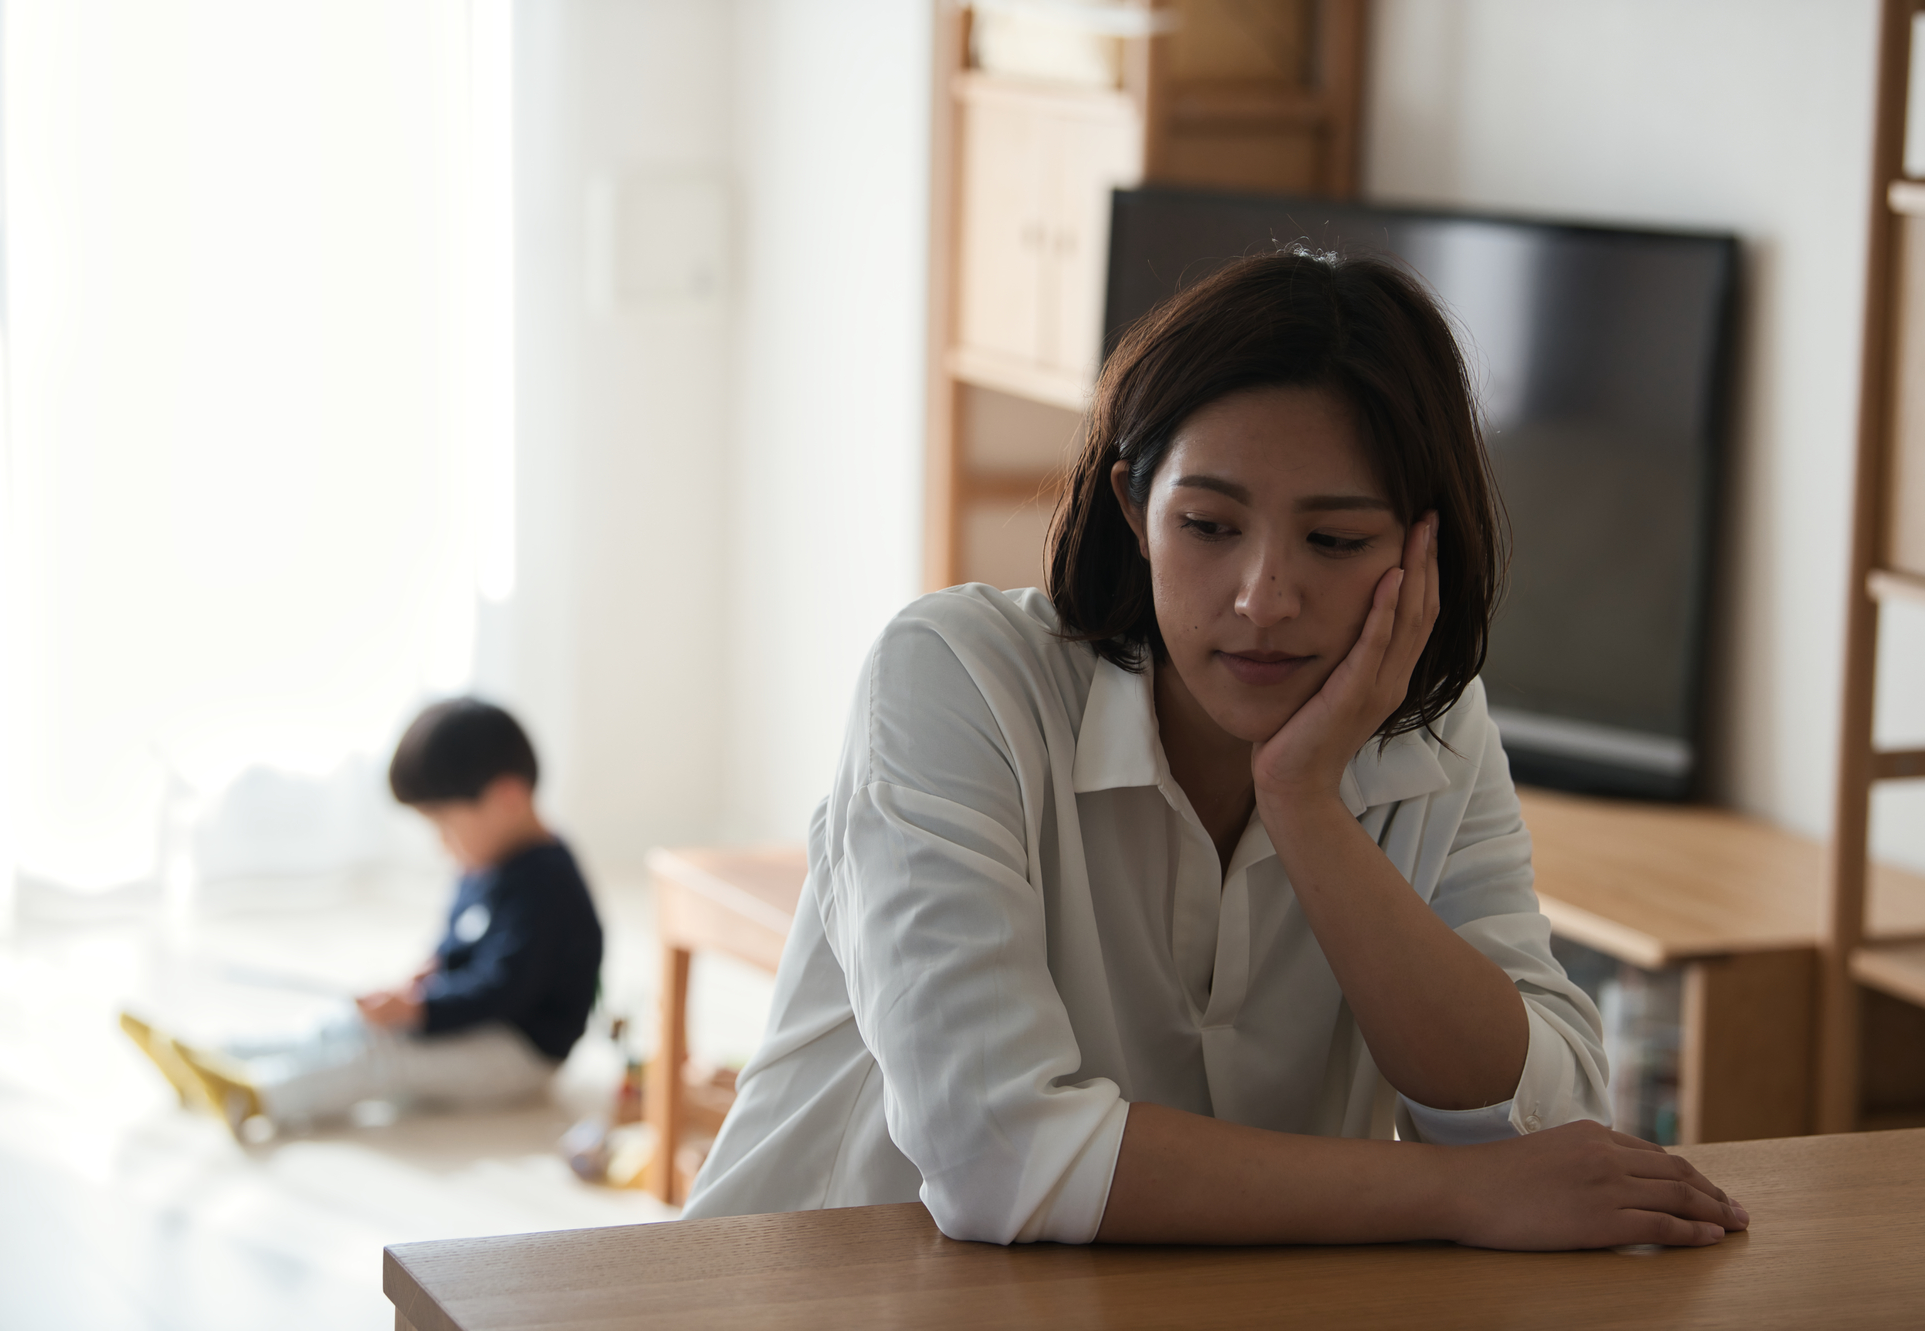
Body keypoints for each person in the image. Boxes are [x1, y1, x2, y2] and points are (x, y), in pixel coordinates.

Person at [682, 249, 1748, 1250]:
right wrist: (1451, 1195)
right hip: (804, 1294)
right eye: (1206, 524)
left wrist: (1305, 802)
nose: (1263, 598)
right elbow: (999, 1156)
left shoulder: (1433, 727)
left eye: (1333, 541)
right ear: (1132, 507)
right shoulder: (955, 678)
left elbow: (1540, 1125)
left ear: (1422, 548)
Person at [121, 698, 605, 1141]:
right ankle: (220, 1054)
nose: (442, 843)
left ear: (506, 799)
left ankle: (255, 1097)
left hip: (518, 1052)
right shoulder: (485, 861)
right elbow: (460, 944)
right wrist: (425, 978)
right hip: (467, 1016)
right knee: (346, 1023)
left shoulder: (548, 882)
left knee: (383, 1060)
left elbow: (505, 987)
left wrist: (420, 1009)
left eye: (445, 825)